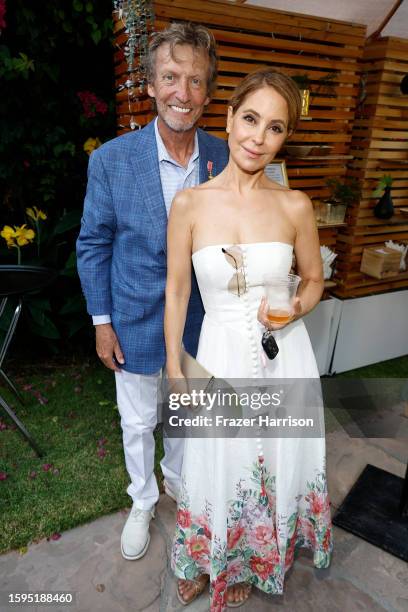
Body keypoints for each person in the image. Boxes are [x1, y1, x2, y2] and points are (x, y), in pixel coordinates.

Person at [165, 69, 333, 609]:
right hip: (218, 355)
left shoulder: (295, 206)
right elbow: (176, 293)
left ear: (286, 137)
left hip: (286, 357)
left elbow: (313, 280)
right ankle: (208, 555)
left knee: (277, 460)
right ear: (230, 116)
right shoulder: (190, 205)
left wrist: (296, 309)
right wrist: (175, 366)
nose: (258, 137)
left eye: (276, 127)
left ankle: (256, 558)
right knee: (219, 462)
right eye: (251, 119)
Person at [76, 22, 229, 562]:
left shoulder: (228, 157)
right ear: (149, 85)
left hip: (202, 326)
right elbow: (93, 243)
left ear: (208, 93)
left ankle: (178, 481)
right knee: (139, 421)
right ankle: (142, 499)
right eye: (170, 77)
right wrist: (101, 321)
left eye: (194, 81)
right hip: (135, 319)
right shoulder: (111, 161)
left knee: (187, 416)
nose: (181, 94)